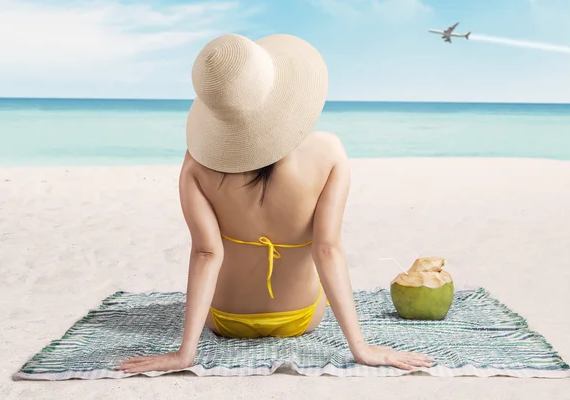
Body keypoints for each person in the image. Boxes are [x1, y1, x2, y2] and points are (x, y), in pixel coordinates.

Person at [117, 33, 433, 374]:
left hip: (225, 319)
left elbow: (207, 254)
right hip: (300, 318)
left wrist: (184, 355)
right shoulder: (328, 152)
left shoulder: (196, 165)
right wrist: (361, 348)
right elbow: (327, 250)